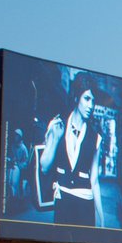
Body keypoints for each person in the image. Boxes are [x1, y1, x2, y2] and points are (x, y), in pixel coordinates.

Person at [41, 75, 105, 227]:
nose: (91, 105)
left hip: (85, 205)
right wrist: (56, 139)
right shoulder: (58, 124)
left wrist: (101, 219)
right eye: (87, 99)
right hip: (63, 201)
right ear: (77, 97)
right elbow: (44, 167)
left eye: (93, 101)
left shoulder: (96, 137)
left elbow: (94, 180)